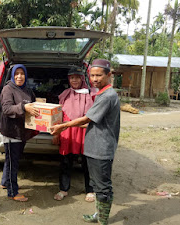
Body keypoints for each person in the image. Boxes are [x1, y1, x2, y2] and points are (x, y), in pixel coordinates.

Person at [50, 59, 120, 225]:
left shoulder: (103, 95)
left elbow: (89, 118)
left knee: (101, 184)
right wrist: (61, 129)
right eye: (93, 75)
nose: (95, 79)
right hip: (85, 137)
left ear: (108, 75)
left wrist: (63, 126)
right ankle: (98, 214)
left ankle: (102, 219)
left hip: (98, 143)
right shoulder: (100, 93)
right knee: (69, 164)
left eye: (99, 75)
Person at [52, 68, 95, 202]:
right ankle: (63, 189)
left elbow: (91, 117)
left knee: (88, 163)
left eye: (77, 77)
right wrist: (56, 133)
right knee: (65, 161)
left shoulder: (89, 95)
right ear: (68, 79)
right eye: (72, 78)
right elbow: (58, 114)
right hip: (67, 131)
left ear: (82, 79)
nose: (74, 80)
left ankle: (90, 190)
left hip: (83, 131)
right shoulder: (65, 94)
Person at [0, 64, 39, 202]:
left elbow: (35, 105)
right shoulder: (8, 89)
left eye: (22, 73)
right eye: (17, 73)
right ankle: (12, 192)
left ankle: (5, 182)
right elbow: (6, 109)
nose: (19, 76)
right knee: (12, 163)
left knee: (11, 159)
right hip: (11, 131)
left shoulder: (28, 90)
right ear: (12, 75)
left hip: (22, 131)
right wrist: (24, 107)